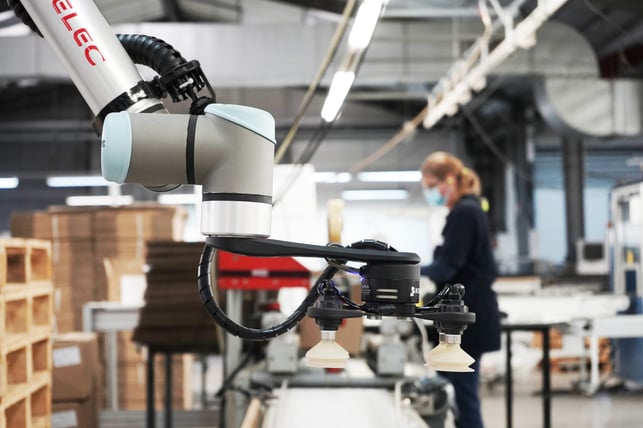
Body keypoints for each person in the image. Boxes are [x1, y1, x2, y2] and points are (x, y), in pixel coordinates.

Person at [419, 151, 501, 428]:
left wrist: (404, 271)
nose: (431, 193)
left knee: (464, 399)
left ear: (450, 180)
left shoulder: (466, 213)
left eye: (432, 186)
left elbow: (447, 267)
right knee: (457, 396)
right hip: (464, 316)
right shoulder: (467, 211)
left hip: (467, 319)